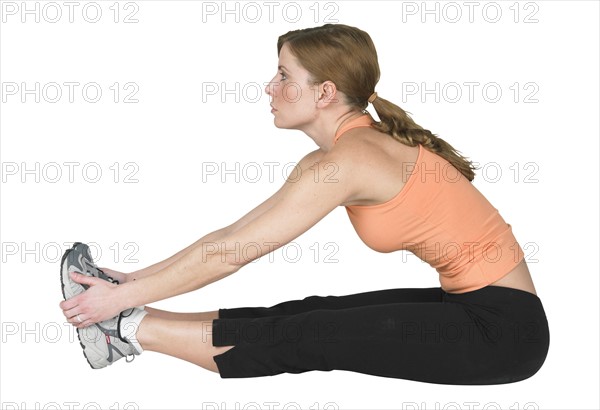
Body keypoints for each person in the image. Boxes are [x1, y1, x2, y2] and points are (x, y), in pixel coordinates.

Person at [59, 24, 549, 384]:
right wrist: (132, 280)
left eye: (282, 74)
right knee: (305, 314)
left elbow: (234, 254)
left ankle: (126, 327)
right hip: (477, 309)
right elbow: (228, 238)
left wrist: (116, 299)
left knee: (313, 334)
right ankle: (124, 323)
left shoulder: (351, 160)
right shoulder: (340, 154)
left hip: (501, 334)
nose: (269, 89)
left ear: (325, 92)